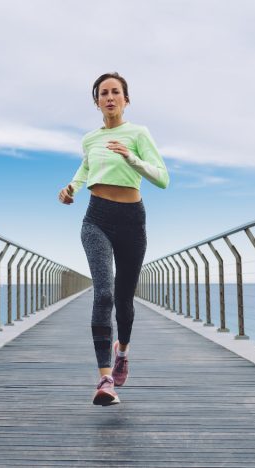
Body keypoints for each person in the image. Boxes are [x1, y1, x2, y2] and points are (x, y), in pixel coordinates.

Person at [58, 72, 169, 406]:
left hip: (132, 221)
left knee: (124, 299)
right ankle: (105, 378)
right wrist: (72, 189)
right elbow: (85, 168)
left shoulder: (139, 133)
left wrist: (131, 158)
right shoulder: (90, 139)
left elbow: (162, 178)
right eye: (103, 93)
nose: (109, 97)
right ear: (97, 102)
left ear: (126, 99)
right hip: (97, 219)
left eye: (115, 92)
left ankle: (123, 351)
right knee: (103, 294)